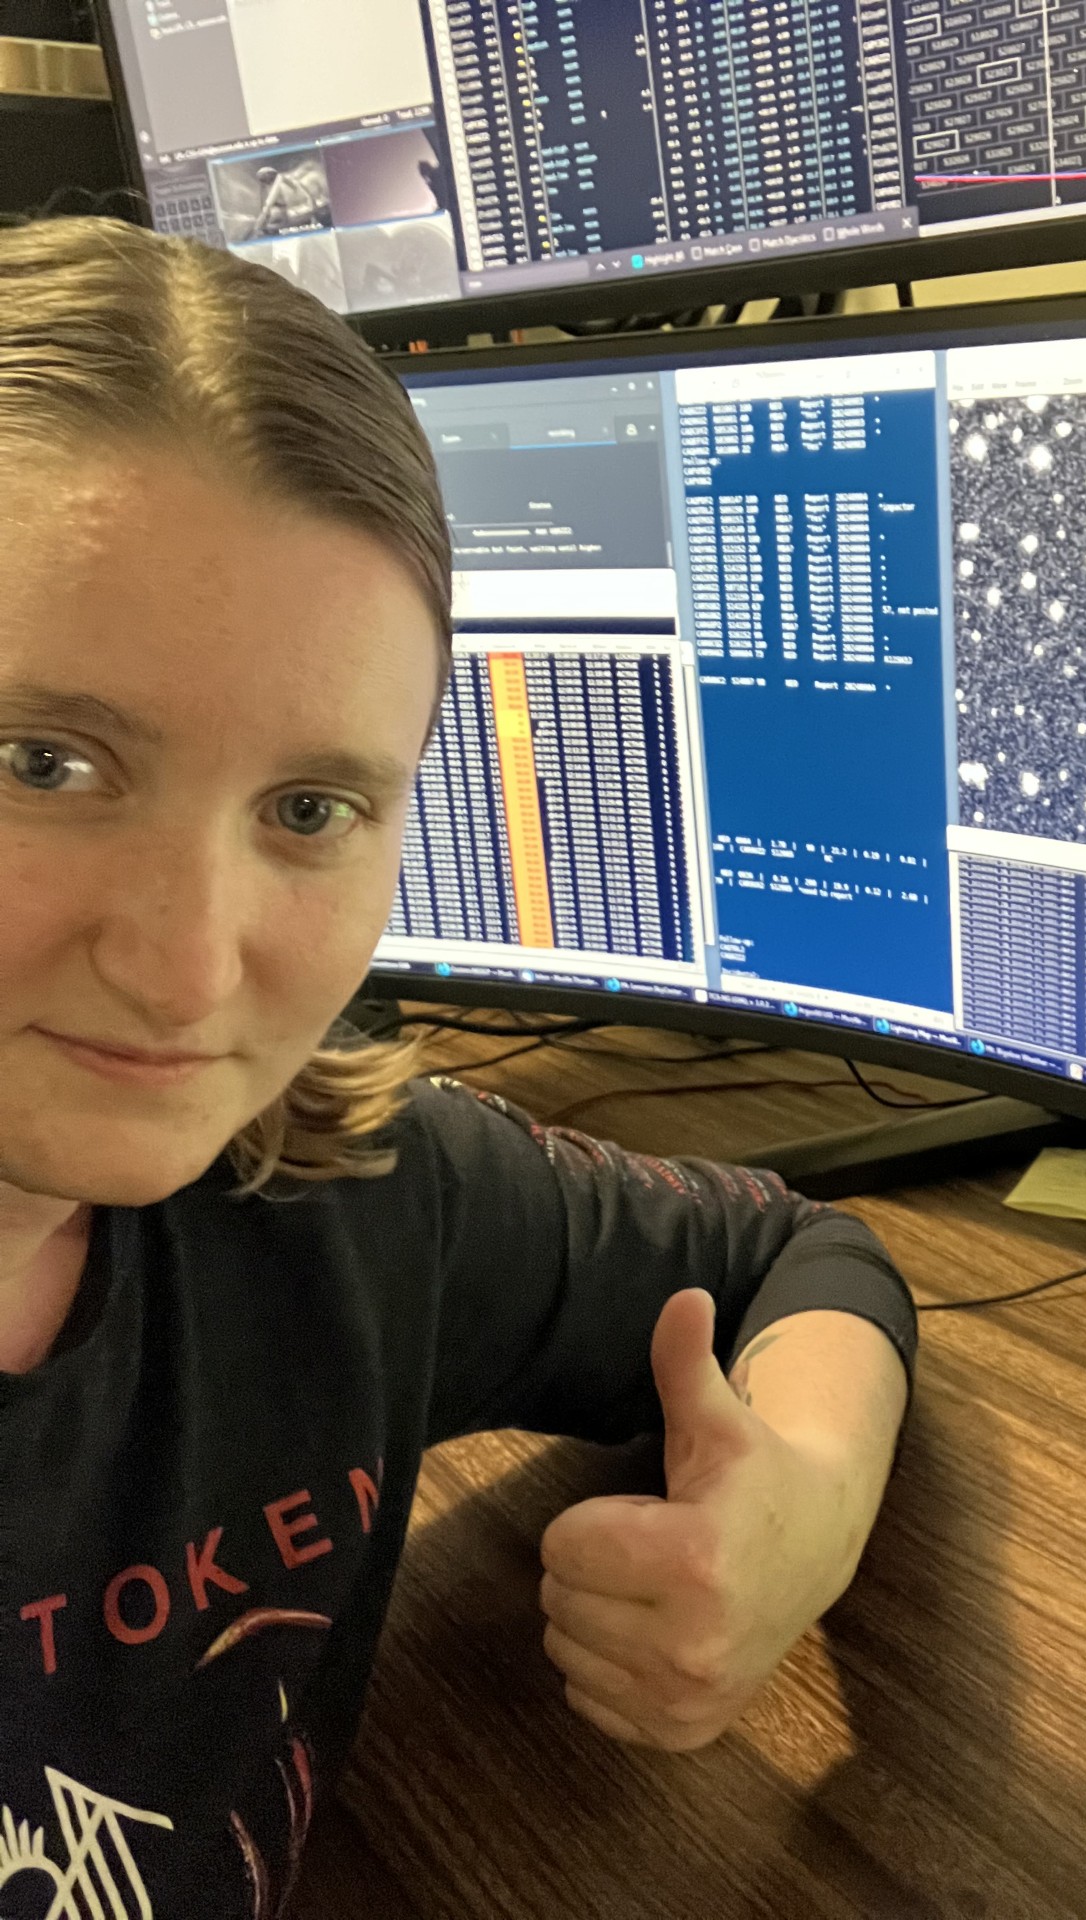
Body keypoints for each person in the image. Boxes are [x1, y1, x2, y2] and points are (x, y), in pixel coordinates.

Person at [0, 218, 916, 1917]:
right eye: (46, 761)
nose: (193, 967)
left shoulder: (327, 1185)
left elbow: (794, 1255)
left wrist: (800, 1506)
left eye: (310, 811)